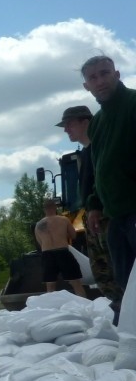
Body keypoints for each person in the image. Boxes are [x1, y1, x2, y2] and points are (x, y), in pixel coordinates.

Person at [56, 105, 122, 315]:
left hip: (107, 216)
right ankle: (120, 306)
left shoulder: (101, 148)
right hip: (93, 217)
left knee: (115, 265)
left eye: (69, 124)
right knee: (103, 269)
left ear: (86, 121)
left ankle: (126, 306)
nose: (66, 129)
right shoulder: (85, 153)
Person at [81, 56, 136, 298]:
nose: (100, 81)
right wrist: (94, 204)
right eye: (93, 77)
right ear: (87, 86)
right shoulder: (98, 123)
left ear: (117, 74)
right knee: (126, 281)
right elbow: (100, 168)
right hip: (115, 215)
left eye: (105, 73)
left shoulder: (133, 104)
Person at [34, 199, 85, 296]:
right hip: (62, 252)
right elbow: (73, 235)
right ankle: (85, 306)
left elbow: (40, 242)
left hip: (47, 254)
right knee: (76, 283)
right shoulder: (63, 219)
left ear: (44, 209)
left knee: (50, 286)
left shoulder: (38, 225)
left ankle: (50, 308)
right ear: (55, 207)